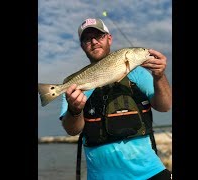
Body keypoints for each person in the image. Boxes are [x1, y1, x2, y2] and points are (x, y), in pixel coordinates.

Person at [59, 18, 172, 180]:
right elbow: (72, 130)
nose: (94, 42)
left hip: (150, 172)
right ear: (82, 45)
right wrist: (75, 110)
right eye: (87, 39)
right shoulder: (75, 83)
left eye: (99, 36)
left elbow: (165, 106)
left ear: (109, 38)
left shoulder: (137, 73)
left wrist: (159, 76)